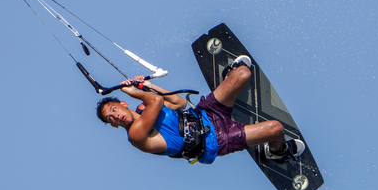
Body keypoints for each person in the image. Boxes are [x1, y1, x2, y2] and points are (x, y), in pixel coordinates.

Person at [96, 56, 305, 164]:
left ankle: (229, 78)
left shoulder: (143, 107)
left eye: (113, 110)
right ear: (113, 125)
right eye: (110, 119)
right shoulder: (136, 135)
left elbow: (178, 102)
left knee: (243, 73)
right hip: (217, 140)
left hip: (206, 113)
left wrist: (145, 86)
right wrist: (134, 91)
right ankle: (277, 153)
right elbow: (157, 103)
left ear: (122, 105)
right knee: (276, 129)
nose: (115, 117)